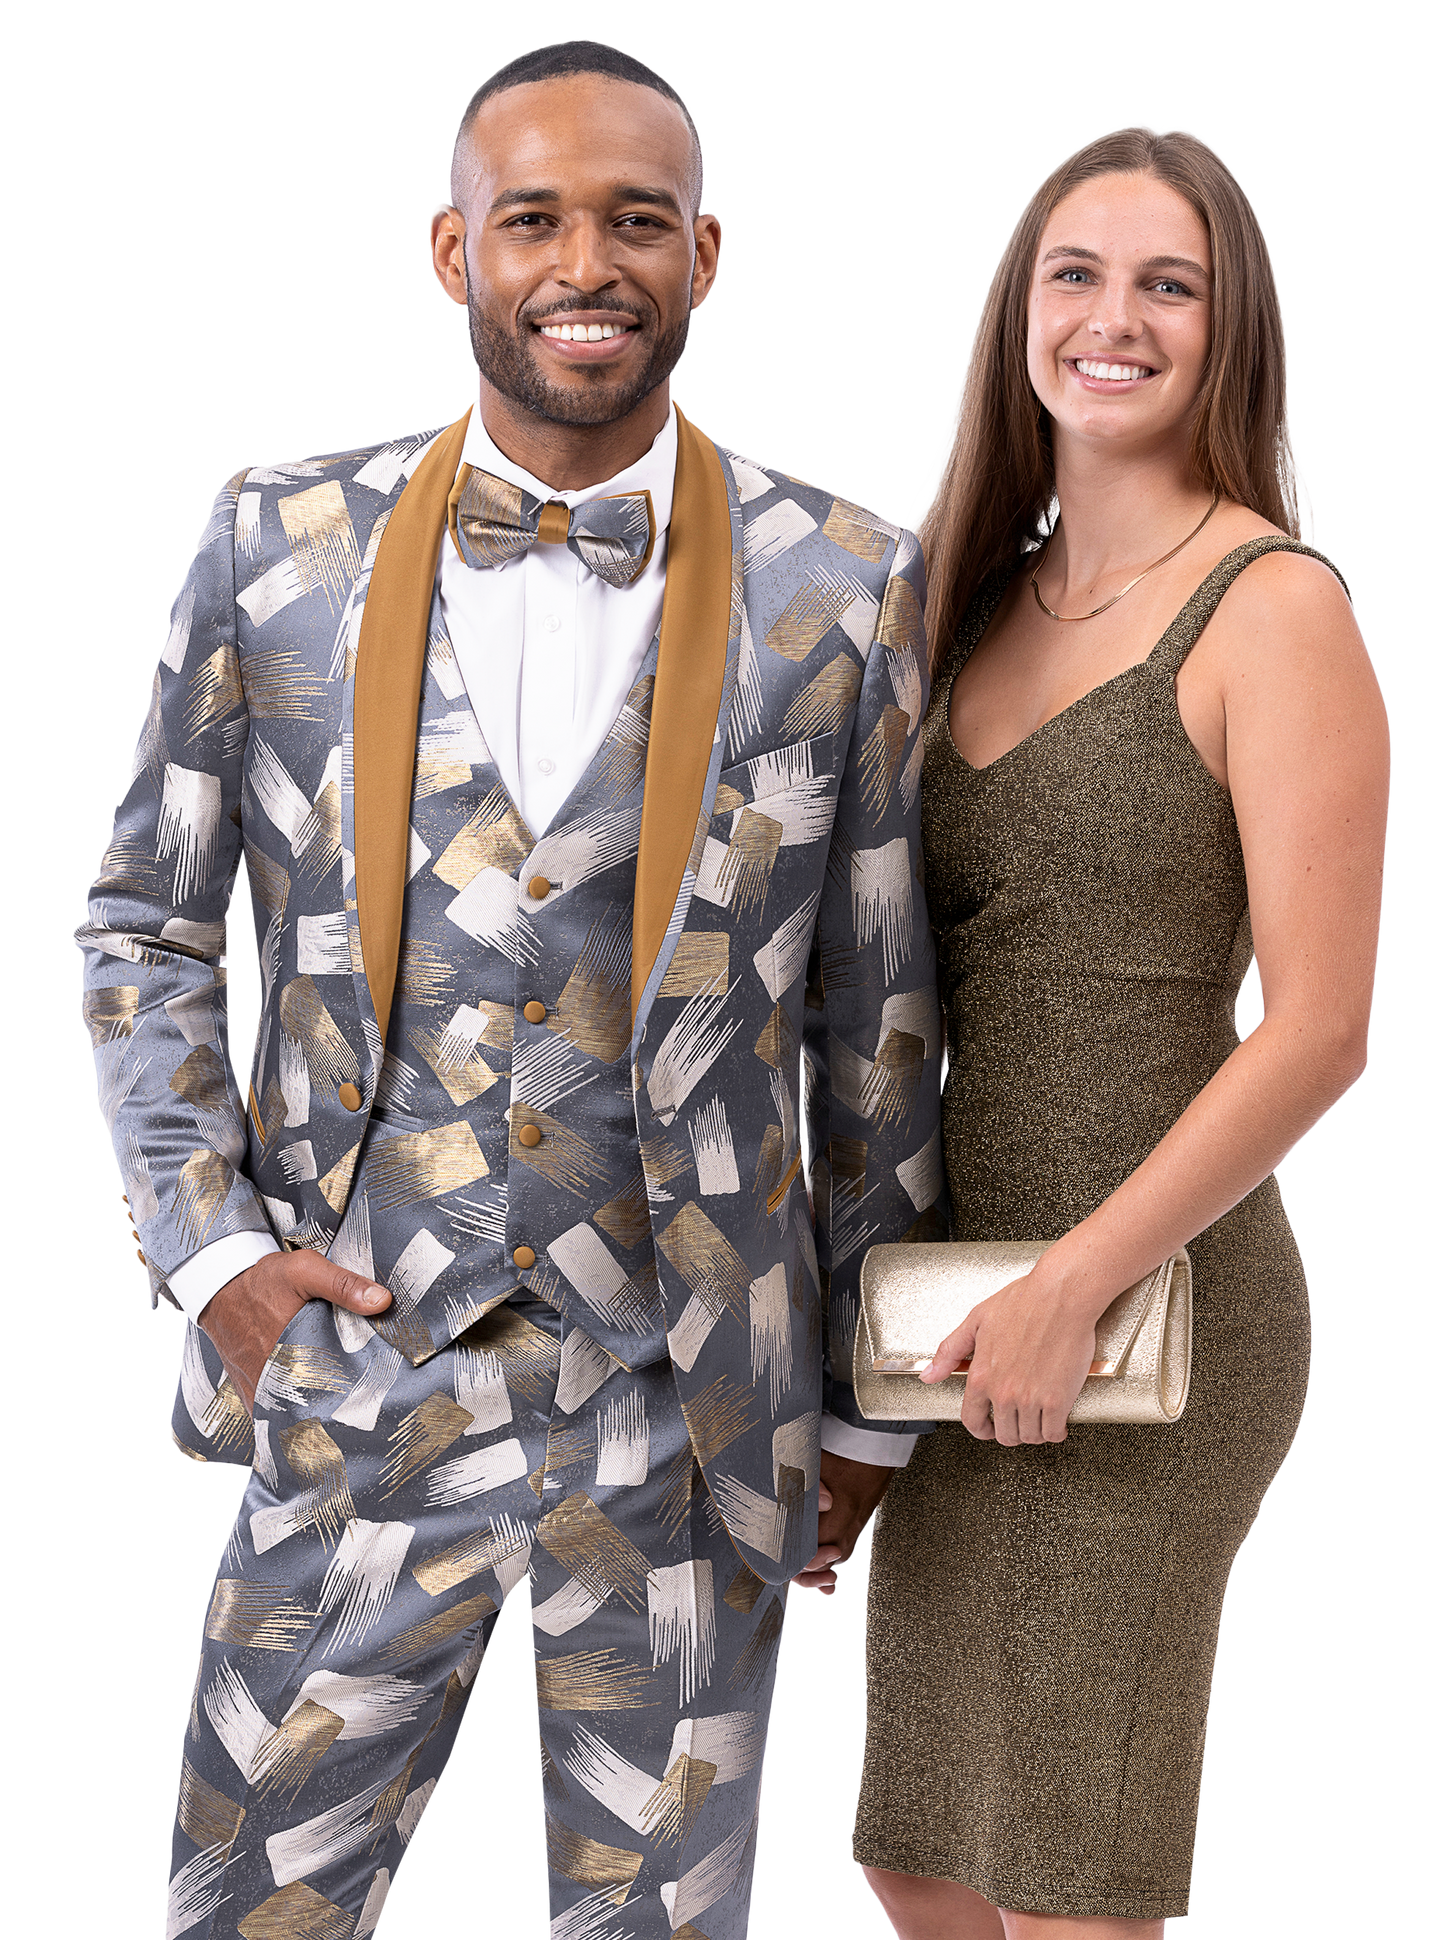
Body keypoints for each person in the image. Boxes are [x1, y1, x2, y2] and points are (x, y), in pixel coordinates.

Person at [73, 37, 944, 1939]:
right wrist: (210, 1253)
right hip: (353, 1372)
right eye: (535, 215)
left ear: (706, 256)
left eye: (639, 219)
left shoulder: (849, 581)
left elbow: (877, 1020)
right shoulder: (274, 538)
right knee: (247, 1921)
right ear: (451, 248)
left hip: (694, 1411)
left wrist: (870, 1416)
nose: (587, 261)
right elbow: (147, 924)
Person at [841, 123, 1391, 1938]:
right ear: (1018, 314)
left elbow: (1319, 1031)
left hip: (1151, 1315)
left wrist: (1082, 1279)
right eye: (1075, 275)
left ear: (1232, 329)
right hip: (951, 1322)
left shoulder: (1275, 608)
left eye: (1172, 284)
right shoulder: (963, 603)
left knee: (1073, 1882)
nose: (1116, 319)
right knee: (919, 1862)